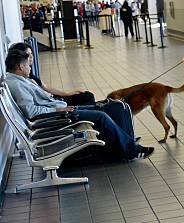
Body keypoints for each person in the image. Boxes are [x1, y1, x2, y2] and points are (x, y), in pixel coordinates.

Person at [5, 50, 154, 160]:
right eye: (27, 64)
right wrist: (58, 109)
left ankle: (127, 141)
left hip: (60, 109)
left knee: (112, 106)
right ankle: (132, 150)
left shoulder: (19, 79)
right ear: (19, 66)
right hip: (58, 115)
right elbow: (31, 111)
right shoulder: (17, 84)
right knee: (101, 115)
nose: (30, 67)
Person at [8, 42, 96, 106]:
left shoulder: (29, 74)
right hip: (52, 103)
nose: (31, 57)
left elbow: (46, 87)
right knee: (88, 98)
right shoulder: (22, 79)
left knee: (87, 95)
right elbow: (34, 104)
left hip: (53, 99)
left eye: (31, 54)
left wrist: (67, 93)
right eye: (27, 55)